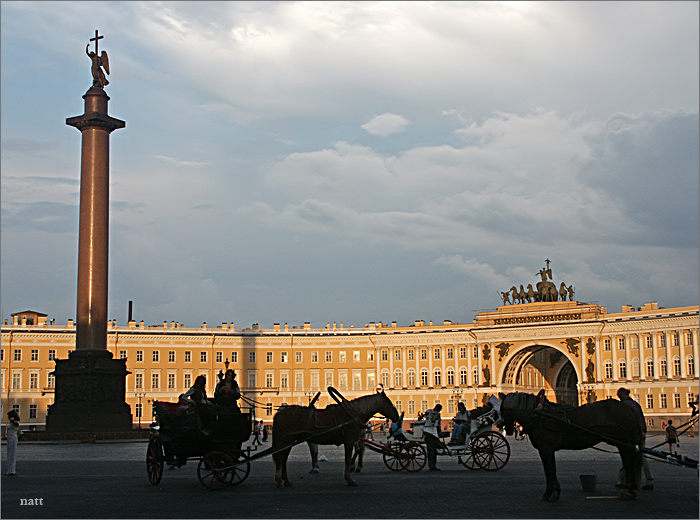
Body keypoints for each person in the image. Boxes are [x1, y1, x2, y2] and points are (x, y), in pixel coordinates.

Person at [615, 387, 654, 490]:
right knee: (631, 455)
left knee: (636, 455)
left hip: (633, 434)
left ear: (622, 395)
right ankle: (623, 479)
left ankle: (648, 479)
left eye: (619, 396)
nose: (619, 399)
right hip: (639, 432)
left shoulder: (625, 405)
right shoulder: (635, 404)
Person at [422, 404, 443, 471]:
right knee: (431, 450)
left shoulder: (437, 414)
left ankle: (432, 465)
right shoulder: (430, 411)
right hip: (430, 432)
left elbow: (438, 422)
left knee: (432, 450)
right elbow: (426, 415)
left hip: (432, 432)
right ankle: (432, 465)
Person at [5, 410, 20, 476]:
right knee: (9, 454)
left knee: (12, 454)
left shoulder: (15, 422)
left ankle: (12, 471)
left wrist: (12, 420)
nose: (8, 417)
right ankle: (9, 470)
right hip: (10, 438)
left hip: (13, 438)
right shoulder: (11, 423)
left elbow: (16, 424)